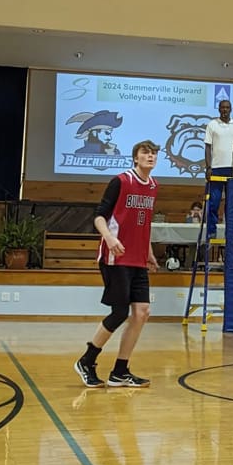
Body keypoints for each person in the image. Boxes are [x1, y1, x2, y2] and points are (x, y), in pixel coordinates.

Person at [74, 140, 160, 389]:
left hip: (138, 259)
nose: (150, 156)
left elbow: (143, 222)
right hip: (116, 257)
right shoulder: (121, 181)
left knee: (142, 312)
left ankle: (120, 372)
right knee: (120, 312)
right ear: (135, 158)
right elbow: (99, 216)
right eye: (145, 152)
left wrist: (149, 251)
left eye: (154, 153)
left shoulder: (154, 186)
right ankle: (87, 361)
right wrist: (110, 238)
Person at [203, 99, 233, 243]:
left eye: (227, 107)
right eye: (222, 107)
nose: (225, 110)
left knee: (231, 204)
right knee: (214, 202)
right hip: (216, 168)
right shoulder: (212, 125)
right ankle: (212, 231)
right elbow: (208, 147)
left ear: (231, 109)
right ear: (219, 109)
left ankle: (231, 232)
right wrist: (208, 167)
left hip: (232, 169)